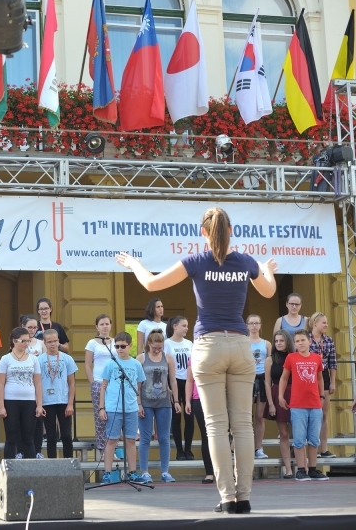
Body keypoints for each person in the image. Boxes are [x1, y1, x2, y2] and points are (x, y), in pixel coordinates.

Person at [117, 207, 277, 514]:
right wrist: (267, 268)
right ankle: (244, 497)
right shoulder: (245, 261)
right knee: (242, 425)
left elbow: (150, 284)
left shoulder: (196, 261)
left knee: (216, 427)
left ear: (203, 233)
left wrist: (134, 262)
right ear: (231, 231)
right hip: (241, 345)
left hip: (208, 347)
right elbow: (269, 291)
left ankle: (227, 498)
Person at [278, 330, 327, 481]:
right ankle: (301, 470)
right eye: (297, 341)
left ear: (309, 341)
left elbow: (320, 379)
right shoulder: (291, 358)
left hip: (315, 404)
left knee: (313, 439)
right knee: (299, 439)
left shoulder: (316, 358)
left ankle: (312, 469)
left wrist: (322, 396)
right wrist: (280, 396)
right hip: (298, 405)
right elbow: (284, 378)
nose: (300, 343)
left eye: (303, 340)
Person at [98, 332, 146, 485]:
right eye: (117, 346)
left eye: (123, 346)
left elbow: (138, 386)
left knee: (130, 440)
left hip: (131, 408)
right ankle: (107, 472)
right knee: (111, 440)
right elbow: (103, 386)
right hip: (113, 407)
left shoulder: (136, 364)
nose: (119, 349)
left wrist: (139, 404)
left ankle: (132, 472)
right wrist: (101, 408)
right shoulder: (110, 363)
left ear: (130, 346)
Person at [137, 330, 180, 483]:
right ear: (149, 344)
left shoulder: (168, 358)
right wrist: (139, 404)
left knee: (164, 438)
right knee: (145, 438)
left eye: (159, 348)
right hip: (146, 402)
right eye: (154, 347)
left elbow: (173, 381)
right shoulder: (141, 358)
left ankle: (165, 471)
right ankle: (144, 471)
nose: (157, 350)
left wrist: (176, 401)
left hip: (163, 402)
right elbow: (138, 383)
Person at [0, 327, 44, 462]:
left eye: (28, 341)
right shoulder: (5, 359)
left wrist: (39, 405)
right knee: (11, 438)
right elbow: (0, 384)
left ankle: (30, 473)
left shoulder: (33, 359)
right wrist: (1, 405)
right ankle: (9, 473)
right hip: (10, 400)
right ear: (14, 341)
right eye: (23, 341)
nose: (26, 343)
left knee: (29, 438)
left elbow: (38, 383)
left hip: (29, 401)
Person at [39, 329, 77, 459]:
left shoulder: (67, 359)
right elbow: (36, 384)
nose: (53, 344)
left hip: (63, 401)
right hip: (47, 401)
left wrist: (70, 403)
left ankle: (68, 462)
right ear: (44, 343)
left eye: (55, 341)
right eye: (49, 342)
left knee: (66, 434)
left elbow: (72, 383)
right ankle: (52, 464)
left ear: (58, 340)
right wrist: (39, 403)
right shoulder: (39, 360)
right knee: (51, 435)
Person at [263, 329, 294, 478]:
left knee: (300, 434)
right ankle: (288, 468)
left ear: (287, 341)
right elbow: (267, 383)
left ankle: (302, 466)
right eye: (276, 341)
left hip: (295, 393)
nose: (278, 343)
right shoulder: (270, 359)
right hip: (277, 394)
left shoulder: (294, 357)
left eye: (281, 340)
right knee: (284, 433)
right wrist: (271, 403)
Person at [307, 311, 337, 458]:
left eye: (326, 322)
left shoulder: (329, 340)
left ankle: (324, 449)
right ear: (315, 323)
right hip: (308, 375)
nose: (326, 325)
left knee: (323, 413)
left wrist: (332, 382)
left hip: (323, 375)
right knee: (311, 414)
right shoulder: (305, 339)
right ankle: (312, 447)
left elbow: (333, 362)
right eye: (323, 322)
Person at [85, 314, 114, 460]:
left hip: (113, 384)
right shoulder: (92, 343)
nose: (105, 327)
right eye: (102, 324)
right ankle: (103, 449)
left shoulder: (115, 343)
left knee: (113, 416)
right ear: (97, 327)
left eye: (107, 324)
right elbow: (87, 365)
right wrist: (93, 383)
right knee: (101, 417)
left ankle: (112, 448)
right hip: (98, 382)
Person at [165, 315, 194, 460]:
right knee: (176, 417)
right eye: (184, 325)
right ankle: (179, 450)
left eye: (187, 326)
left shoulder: (189, 344)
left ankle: (188, 449)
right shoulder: (167, 344)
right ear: (175, 326)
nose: (186, 328)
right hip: (174, 381)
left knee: (189, 417)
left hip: (188, 381)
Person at [185, 358, 214, 484]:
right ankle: (209, 473)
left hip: (218, 398)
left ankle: (225, 472)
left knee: (222, 435)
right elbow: (190, 381)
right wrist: (187, 401)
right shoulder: (194, 357)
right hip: (199, 399)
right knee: (206, 435)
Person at [247, 315, 271, 460]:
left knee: (260, 417)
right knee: (246, 416)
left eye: (256, 323)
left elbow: (270, 362)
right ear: (247, 326)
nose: (254, 326)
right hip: (248, 379)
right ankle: (245, 447)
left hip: (262, 378)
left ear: (260, 325)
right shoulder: (243, 342)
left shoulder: (266, 344)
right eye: (251, 323)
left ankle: (258, 447)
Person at [22, 314, 46, 459]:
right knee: (25, 421)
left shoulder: (40, 343)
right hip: (24, 384)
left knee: (38, 420)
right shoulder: (20, 342)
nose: (32, 330)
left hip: (38, 382)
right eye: (29, 327)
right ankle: (23, 450)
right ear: (23, 327)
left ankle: (38, 450)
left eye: (34, 327)